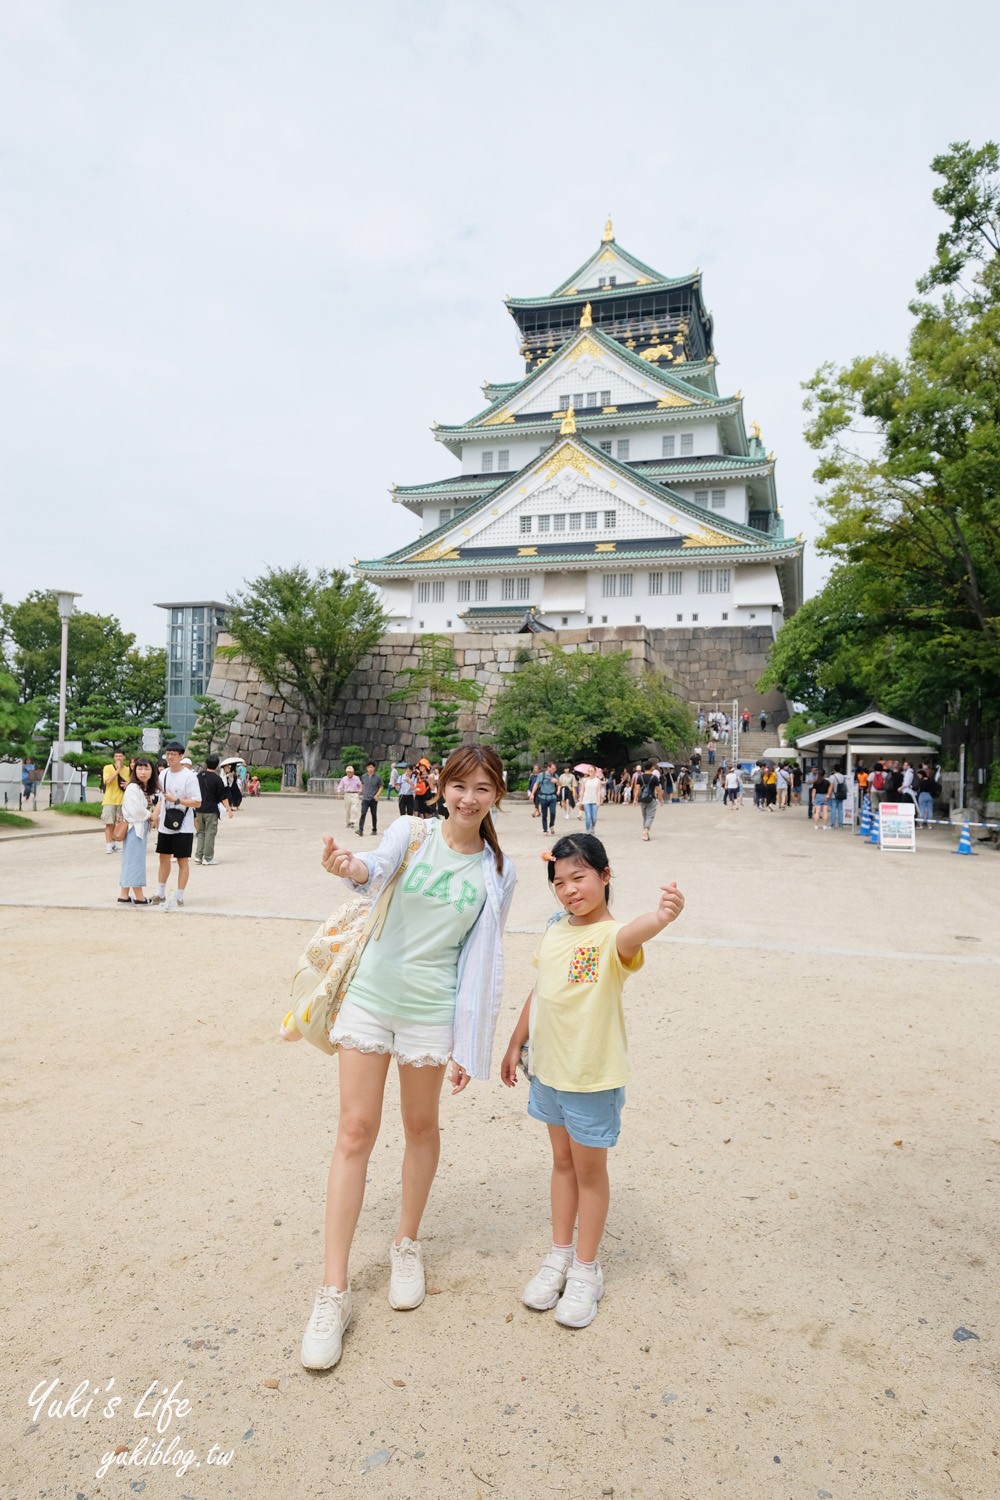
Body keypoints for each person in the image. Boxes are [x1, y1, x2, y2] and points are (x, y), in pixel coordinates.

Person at [300, 745, 517, 1371]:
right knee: (354, 1131)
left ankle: (405, 1243)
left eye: (482, 788)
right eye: (459, 785)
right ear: (441, 787)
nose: (468, 798)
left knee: (421, 1127)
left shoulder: (499, 870)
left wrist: (467, 1045)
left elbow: (484, 960)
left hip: (431, 1012)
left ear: (498, 795)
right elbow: (373, 866)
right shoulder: (412, 831)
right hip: (371, 996)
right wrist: (349, 862)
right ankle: (332, 1291)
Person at [500, 834, 684, 1329]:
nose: (569, 890)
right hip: (549, 1072)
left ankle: (586, 1269)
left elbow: (634, 934)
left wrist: (663, 916)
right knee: (561, 1164)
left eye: (579, 877)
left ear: (605, 875)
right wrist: (516, 1042)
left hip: (591, 1076)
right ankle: (559, 1254)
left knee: (588, 1173)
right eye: (559, 882)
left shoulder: (612, 938)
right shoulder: (556, 929)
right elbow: (539, 991)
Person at [151, 742, 201, 907]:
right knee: (163, 858)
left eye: (173, 754)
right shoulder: (163, 774)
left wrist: (177, 800)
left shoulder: (189, 776)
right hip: (165, 824)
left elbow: (197, 802)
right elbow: (161, 798)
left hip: (184, 826)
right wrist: (156, 814)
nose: (170, 757)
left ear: (181, 756)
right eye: (168, 754)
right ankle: (160, 892)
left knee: (182, 860)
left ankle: (179, 895)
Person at [116, 757, 160, 905]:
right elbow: (136, 811)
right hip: (135, 828)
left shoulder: (143, 788)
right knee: (135, 862)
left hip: (138, 828)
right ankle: (139, 897)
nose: (143, 772)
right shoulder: (133, 788)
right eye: (140, 768)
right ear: (135, 770)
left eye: (146, 768)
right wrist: (151, 815)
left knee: (130, 861)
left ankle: (124, 894)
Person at [194, 754, 232, 865]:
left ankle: (198, 856)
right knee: (210, 833)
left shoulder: (199, 776)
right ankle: (208, 857)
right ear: (217, 766)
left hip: (199, 808)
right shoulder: (217, 779)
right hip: (211, 810)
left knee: (201, 832)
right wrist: (229, 809)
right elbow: (223, 796)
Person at [101, 750, 129, 853]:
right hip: (109, 800)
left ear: (124, 758)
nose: (118, 758)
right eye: (116, 756)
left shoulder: (127, 769)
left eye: (120, 756)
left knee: (120, 824)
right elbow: (108, 781)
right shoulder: (108, 768)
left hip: (122, 800)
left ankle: (114, 844)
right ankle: (108, 845)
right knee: (109, 823)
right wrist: (117, 771)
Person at [636, 761, 661, 840]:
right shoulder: (654, 778)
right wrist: (661, 799)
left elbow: (637, 789)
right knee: (650, 816)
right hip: (651, 799)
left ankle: (645, 834)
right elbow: (658, 790)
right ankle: (646, 830)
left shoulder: (640, 777)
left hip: (642, 799)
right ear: (651, 767)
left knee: (645, 817)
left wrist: (634, 799)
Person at [533, 761, 559, 834]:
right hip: (543, 797)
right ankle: (545, 829)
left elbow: (560, 784)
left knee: (553, 813)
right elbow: (536, 784)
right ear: (548, 768)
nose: (554, 770)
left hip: (552, 797)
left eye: (555, 768)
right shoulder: (542, 775)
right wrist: (532, 793)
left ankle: (551, 825)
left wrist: (556, 781)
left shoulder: (555, 775)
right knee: (544, 814)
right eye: (553, 768)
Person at [337, 765, 363, 831]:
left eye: (350, 772)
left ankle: (352, 821)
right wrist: (339, 793)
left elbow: (360, 785)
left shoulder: (356, 778)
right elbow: (340, 786)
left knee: (354, 808)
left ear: (353, 772)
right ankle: (348, 822)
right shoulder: (344, 779)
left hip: (354, 794)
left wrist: (359, 791)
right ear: (346, 772)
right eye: (348, 772)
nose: (349, 773)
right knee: (347, 809)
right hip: (347, 794)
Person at [580, 768, 601, 833]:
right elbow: (582, 790)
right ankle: (588, 831)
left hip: (594, 801)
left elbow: (598, 791)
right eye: (589, 771)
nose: (590, 772)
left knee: (594, 818)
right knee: (588, 816)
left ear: (595, 772)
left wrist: (598, 800)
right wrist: (581, 800)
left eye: (592, 771)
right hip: (586, 800)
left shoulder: (597, 780)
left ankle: (593, 827)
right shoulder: (585, 780)